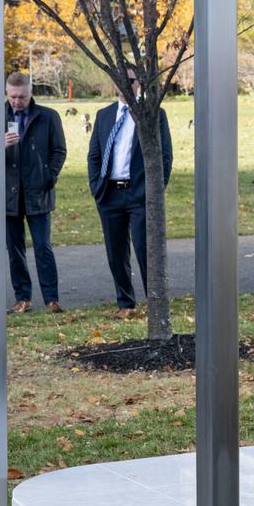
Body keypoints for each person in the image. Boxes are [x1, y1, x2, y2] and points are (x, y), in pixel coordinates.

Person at [86, 69, 172, 319]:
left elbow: (165, 155)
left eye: (130, 81)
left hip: (140, 195)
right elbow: (94, 155)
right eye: (119, 80)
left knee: (146, 250)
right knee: (116, 252)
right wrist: (96, 186)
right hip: (110, 194)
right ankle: (126, 303)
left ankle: (154, 304)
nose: (124, 85)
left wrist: (153, 192)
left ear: (139, 83)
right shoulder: (104, 115)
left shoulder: (153, 113)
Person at [4, 72, 67, 314]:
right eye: (12, 97)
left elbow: (59, 150)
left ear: (31, 93)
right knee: (15, 248)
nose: (17, 102)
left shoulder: (48, 117)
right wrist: (1, 144)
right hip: (9, 192)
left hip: (38, 190)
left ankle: (51, 298)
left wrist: (48, 176)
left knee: (43, 246)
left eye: (22, 97)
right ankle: (23, 298)